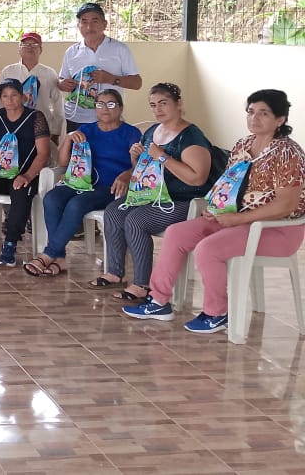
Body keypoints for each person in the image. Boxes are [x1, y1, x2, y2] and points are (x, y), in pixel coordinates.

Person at [124, 89, 305, 333]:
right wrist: (214, 207)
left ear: (280, 119)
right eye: (251, 112)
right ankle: (158, 301)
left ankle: (216, 313)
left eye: (264, 113)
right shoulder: (243, 145)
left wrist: (238, 218)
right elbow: (227, 184)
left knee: (208, 248)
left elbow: (286, 205)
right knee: (177, 233)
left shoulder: (288, 153)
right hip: (235, 218)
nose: (254, 118)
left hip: (275, 229)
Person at [94, 82, 214, 301]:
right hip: (152, 195)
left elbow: (198, 178)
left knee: (136, 221)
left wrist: (163, 157)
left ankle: (142, 284)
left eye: (163, 103)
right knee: (114, 211)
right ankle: (115, 272)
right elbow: (142, 168)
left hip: (183, 201)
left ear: (179, 104)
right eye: (153, 105)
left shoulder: (191, 137)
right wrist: (135, 156)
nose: (158, 109)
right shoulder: (152, 131)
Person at [24, 89, 140, 277]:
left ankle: (48, 254)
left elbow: (140, 165)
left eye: (111, 104)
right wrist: (69, 138)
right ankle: (60, 258)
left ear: (120, 108)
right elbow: (63, 163)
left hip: (111, 188)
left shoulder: (131, 133)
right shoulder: (86, 129)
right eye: (100, 104)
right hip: (81, 182)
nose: (105, 108)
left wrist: (127, 174)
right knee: (52, 198)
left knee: (77, 204)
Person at [0, 78, 51, 267]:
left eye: (14, 95)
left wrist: (28, 175)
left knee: (21, 191)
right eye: (5, 96)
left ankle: (10, 243)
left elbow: (44, 153)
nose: (9, 99)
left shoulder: (35, 118)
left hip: (24, 174)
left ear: (23, 97)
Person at [58, 3, 142, 131]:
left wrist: (111, 79)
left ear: (104, 24)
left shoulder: (119, 49)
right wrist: (63, 84)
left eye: (94, 21)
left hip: (109, 118)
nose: (89, 27)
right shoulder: (72, 52)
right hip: (75, 118)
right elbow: (61, 80)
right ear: (78, 26)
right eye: (84, 22)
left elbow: (137, 83)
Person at [0, 32, 63, 143]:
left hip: (42, 128)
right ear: (19, 49)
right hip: (12, 127)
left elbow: (58, 103)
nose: (30, 47)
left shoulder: (49, 73)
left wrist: (56, 131)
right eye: (25, 45)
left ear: (41, 49)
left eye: (34, 45)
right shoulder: (9, 71)